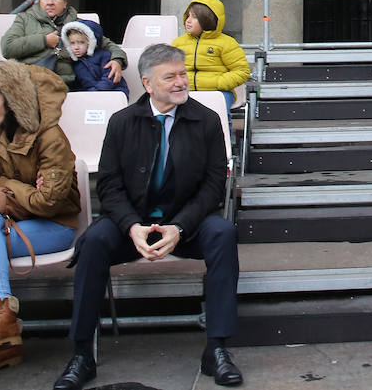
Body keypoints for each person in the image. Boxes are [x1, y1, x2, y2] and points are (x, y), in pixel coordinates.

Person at [52, 43, 241, 390]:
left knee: (223, 233)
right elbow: (108, 184)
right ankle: (82, 354)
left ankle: (217, 348)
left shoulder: (207, 120)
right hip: (132, 222)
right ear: (148, 84)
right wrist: (132, 227)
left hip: (188, 222)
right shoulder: (123, 122)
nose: (181, 82)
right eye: (170, 77)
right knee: (93, 242)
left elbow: (214, 185)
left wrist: (180, 227)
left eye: (182, 74)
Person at [0, 60, 82, 374]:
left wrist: (8, 187)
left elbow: (48, 204)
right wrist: (13, 192)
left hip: (55, 227)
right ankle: (4, 324)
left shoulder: (51, 137)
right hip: (13, 222)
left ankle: (4, 335)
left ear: (13, 100)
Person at [0, 0, 126, 88]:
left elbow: (108, 45)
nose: (50, 2)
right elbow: (7, 48)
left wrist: (117, 60)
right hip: (30, 79)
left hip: (65, 84)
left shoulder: (77, 25)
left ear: (65, 2)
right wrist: (44, 40)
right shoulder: (24, 19)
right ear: (39, 2)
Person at [170, 0, 252, 108]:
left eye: (194, 17)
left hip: (219, 92)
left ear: (207, 19)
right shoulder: (178, 43)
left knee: (220, 114)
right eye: (187, 16)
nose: (188, 21)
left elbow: (242, 71)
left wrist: (219, 83)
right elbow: (168, 69)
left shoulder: (227, 43)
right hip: (185, 91)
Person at [59, 19, 127, 96]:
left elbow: (110, 78)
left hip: (112, 92)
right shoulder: (74, 63)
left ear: (91, 42)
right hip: (89, 96)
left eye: (81, 42)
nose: (76, 47)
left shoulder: (105, 56)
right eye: (72, 43)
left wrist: (94, 93)